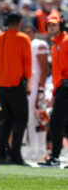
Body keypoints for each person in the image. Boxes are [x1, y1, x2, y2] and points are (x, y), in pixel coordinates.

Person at [0, 11, 32, 166]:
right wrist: (26, 80)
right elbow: (27, 62)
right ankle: (15, 155)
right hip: (16, 84)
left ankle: (1, 154)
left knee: (7, 120)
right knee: (21, 120)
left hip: (0, 85)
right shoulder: (23, 38)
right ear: (19, 23)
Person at [38, 13, 68, 167]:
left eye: (54, 24)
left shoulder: (66, 40)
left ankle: (55, 158)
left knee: (56, 123)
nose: (51, 27)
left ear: (61, 25)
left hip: (66, 86)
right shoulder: (55, 43)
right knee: (64, 124)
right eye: (49, 25)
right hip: (60, 88)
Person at [22, 25, 49, 160]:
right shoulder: (24, 44)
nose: (27, 34)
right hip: (29, 85)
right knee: (30, 119)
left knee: (39, 118)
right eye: (25, 32)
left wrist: (41, 88)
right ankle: (33, 149)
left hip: (37, 84)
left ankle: (42, 149)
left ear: (34, 32)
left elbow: (44, 69)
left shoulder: (39, 44)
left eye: (30, 31)